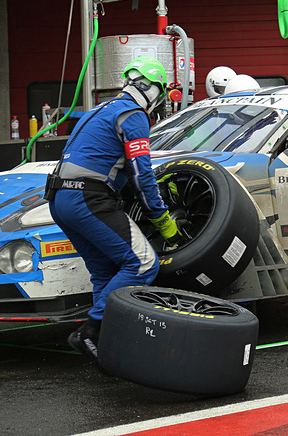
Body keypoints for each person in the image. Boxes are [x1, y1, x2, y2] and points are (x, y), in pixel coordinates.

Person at [46, 55, 184, 362]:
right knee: (143, 264)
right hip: (87, 198)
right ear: (154, 90)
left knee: (104, 271)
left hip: (59, 200)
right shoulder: (134, 115)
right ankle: (89, 331)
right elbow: (142, 176)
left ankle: (104, 342)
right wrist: (162, 219)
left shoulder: (98, 111)